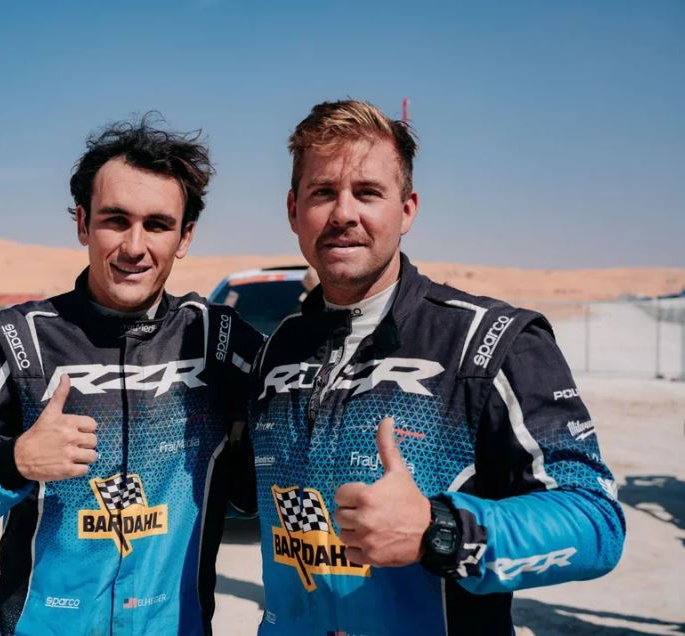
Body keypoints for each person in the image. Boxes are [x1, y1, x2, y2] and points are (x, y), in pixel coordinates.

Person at [248, 100, 625, 635]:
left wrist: (442, 531)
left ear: (407, 210)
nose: (343, 213)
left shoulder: (492, 341)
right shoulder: (277, 349)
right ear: (294, 210)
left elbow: (597, 522)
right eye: (323, 192)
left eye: (368, 192)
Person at [0, 118, 263, 635]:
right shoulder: (15, 340)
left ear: (184, 236)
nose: (134, 247)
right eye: (115, 220)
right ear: (83, 223)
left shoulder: (219, 340)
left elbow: (282, 465)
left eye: (158, 225)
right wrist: (14, 461)